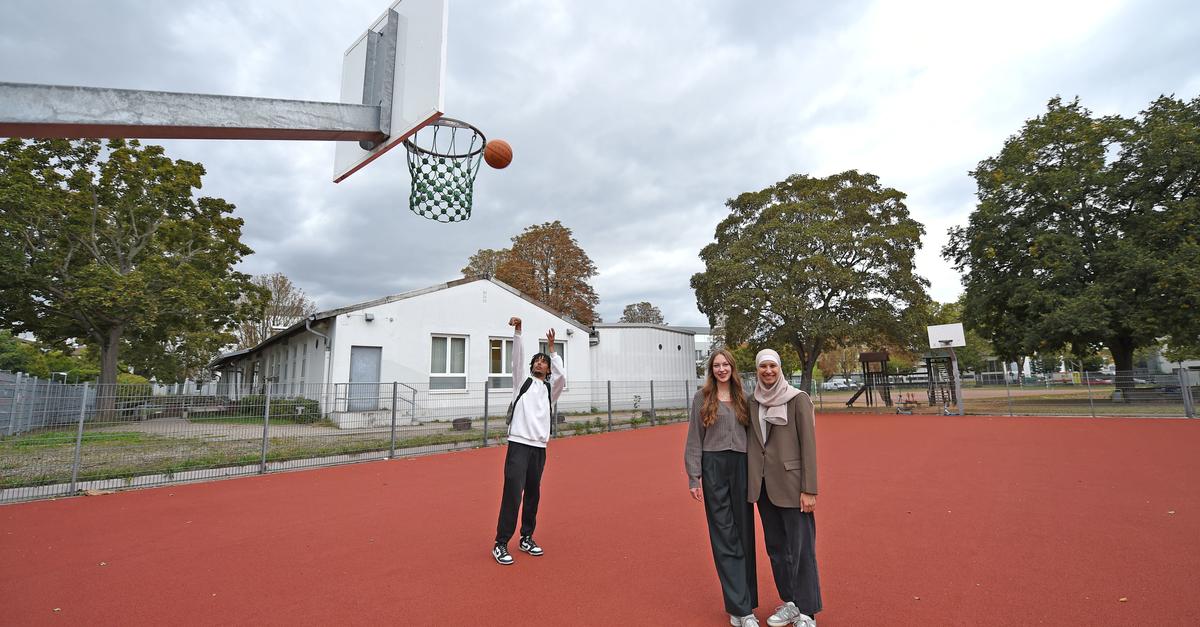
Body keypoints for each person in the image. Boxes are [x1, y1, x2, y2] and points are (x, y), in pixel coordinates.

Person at [685, 349, 760, 627]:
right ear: (711, 370)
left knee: (744, 534)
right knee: (724, 536)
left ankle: (745, 604)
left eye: (725, 364)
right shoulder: (702, 398)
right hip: (714, 467)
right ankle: (740, 609)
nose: (721, 369)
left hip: (741, 466)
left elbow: (756, 437)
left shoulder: (745, 399)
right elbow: (694, 437)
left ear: (732, 367)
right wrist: (694, 476)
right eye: (716, 365)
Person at [746, 349, 821, 627]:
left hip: (792, 487)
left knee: (802, 550)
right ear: (757, 370)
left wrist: (809, 489)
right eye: (763, 366)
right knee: (777, 550)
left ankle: (807, 612)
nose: (768, 371)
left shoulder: (797, 399)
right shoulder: (753, 402)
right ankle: (790, 602)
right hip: (764, 488)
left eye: (772, 366)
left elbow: (808, 446)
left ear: (779, 369)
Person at [492, 316, 565, 566]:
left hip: (539, 448)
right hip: (518, 445)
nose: (540, 363)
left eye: (544, 362)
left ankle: (526, 537)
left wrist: (553, 351)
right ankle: (501, 542)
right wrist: (518, 332)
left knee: (533, 494)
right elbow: (517, 360)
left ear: (548, 369)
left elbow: (562, 378)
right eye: (538, 360)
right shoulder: (521, 383)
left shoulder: (550, 391)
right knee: (513, 493)